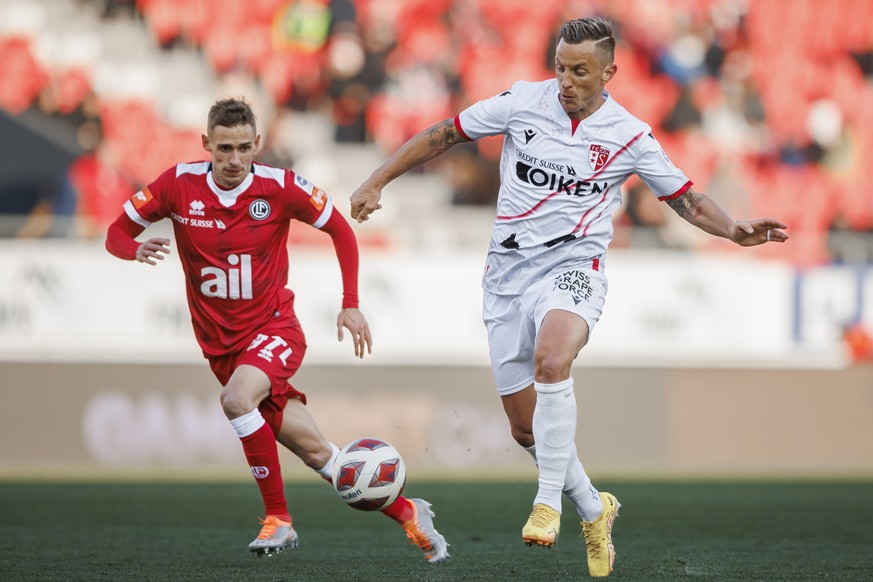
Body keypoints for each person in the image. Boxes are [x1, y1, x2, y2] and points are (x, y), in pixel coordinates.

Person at [350, 17, 788, 577]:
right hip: (506, 277)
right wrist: (377, 179)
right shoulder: (521, 102)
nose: (566, 81)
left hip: (575, 266)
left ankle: (547, 502)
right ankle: (593, 507)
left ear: (609, 72)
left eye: (580, 71)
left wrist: (732, 230)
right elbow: (444, 134)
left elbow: (685, 198)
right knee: (524, 429)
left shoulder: (629, 134)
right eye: (560, 67)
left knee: (553, 359)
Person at [105, 97, 449, 562]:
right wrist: (135, 250)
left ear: (257, 145)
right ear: (205, 144)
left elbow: (342, 231)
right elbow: (116, 234)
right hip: (221, 348)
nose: (233, 160)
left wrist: (351, 305)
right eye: (223, 148)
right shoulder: (176, 185)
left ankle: (278, 520)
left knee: (235, 400)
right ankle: (410, 514)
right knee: (317, 454)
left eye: (243, 148)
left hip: (275, 329)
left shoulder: (281, 187)